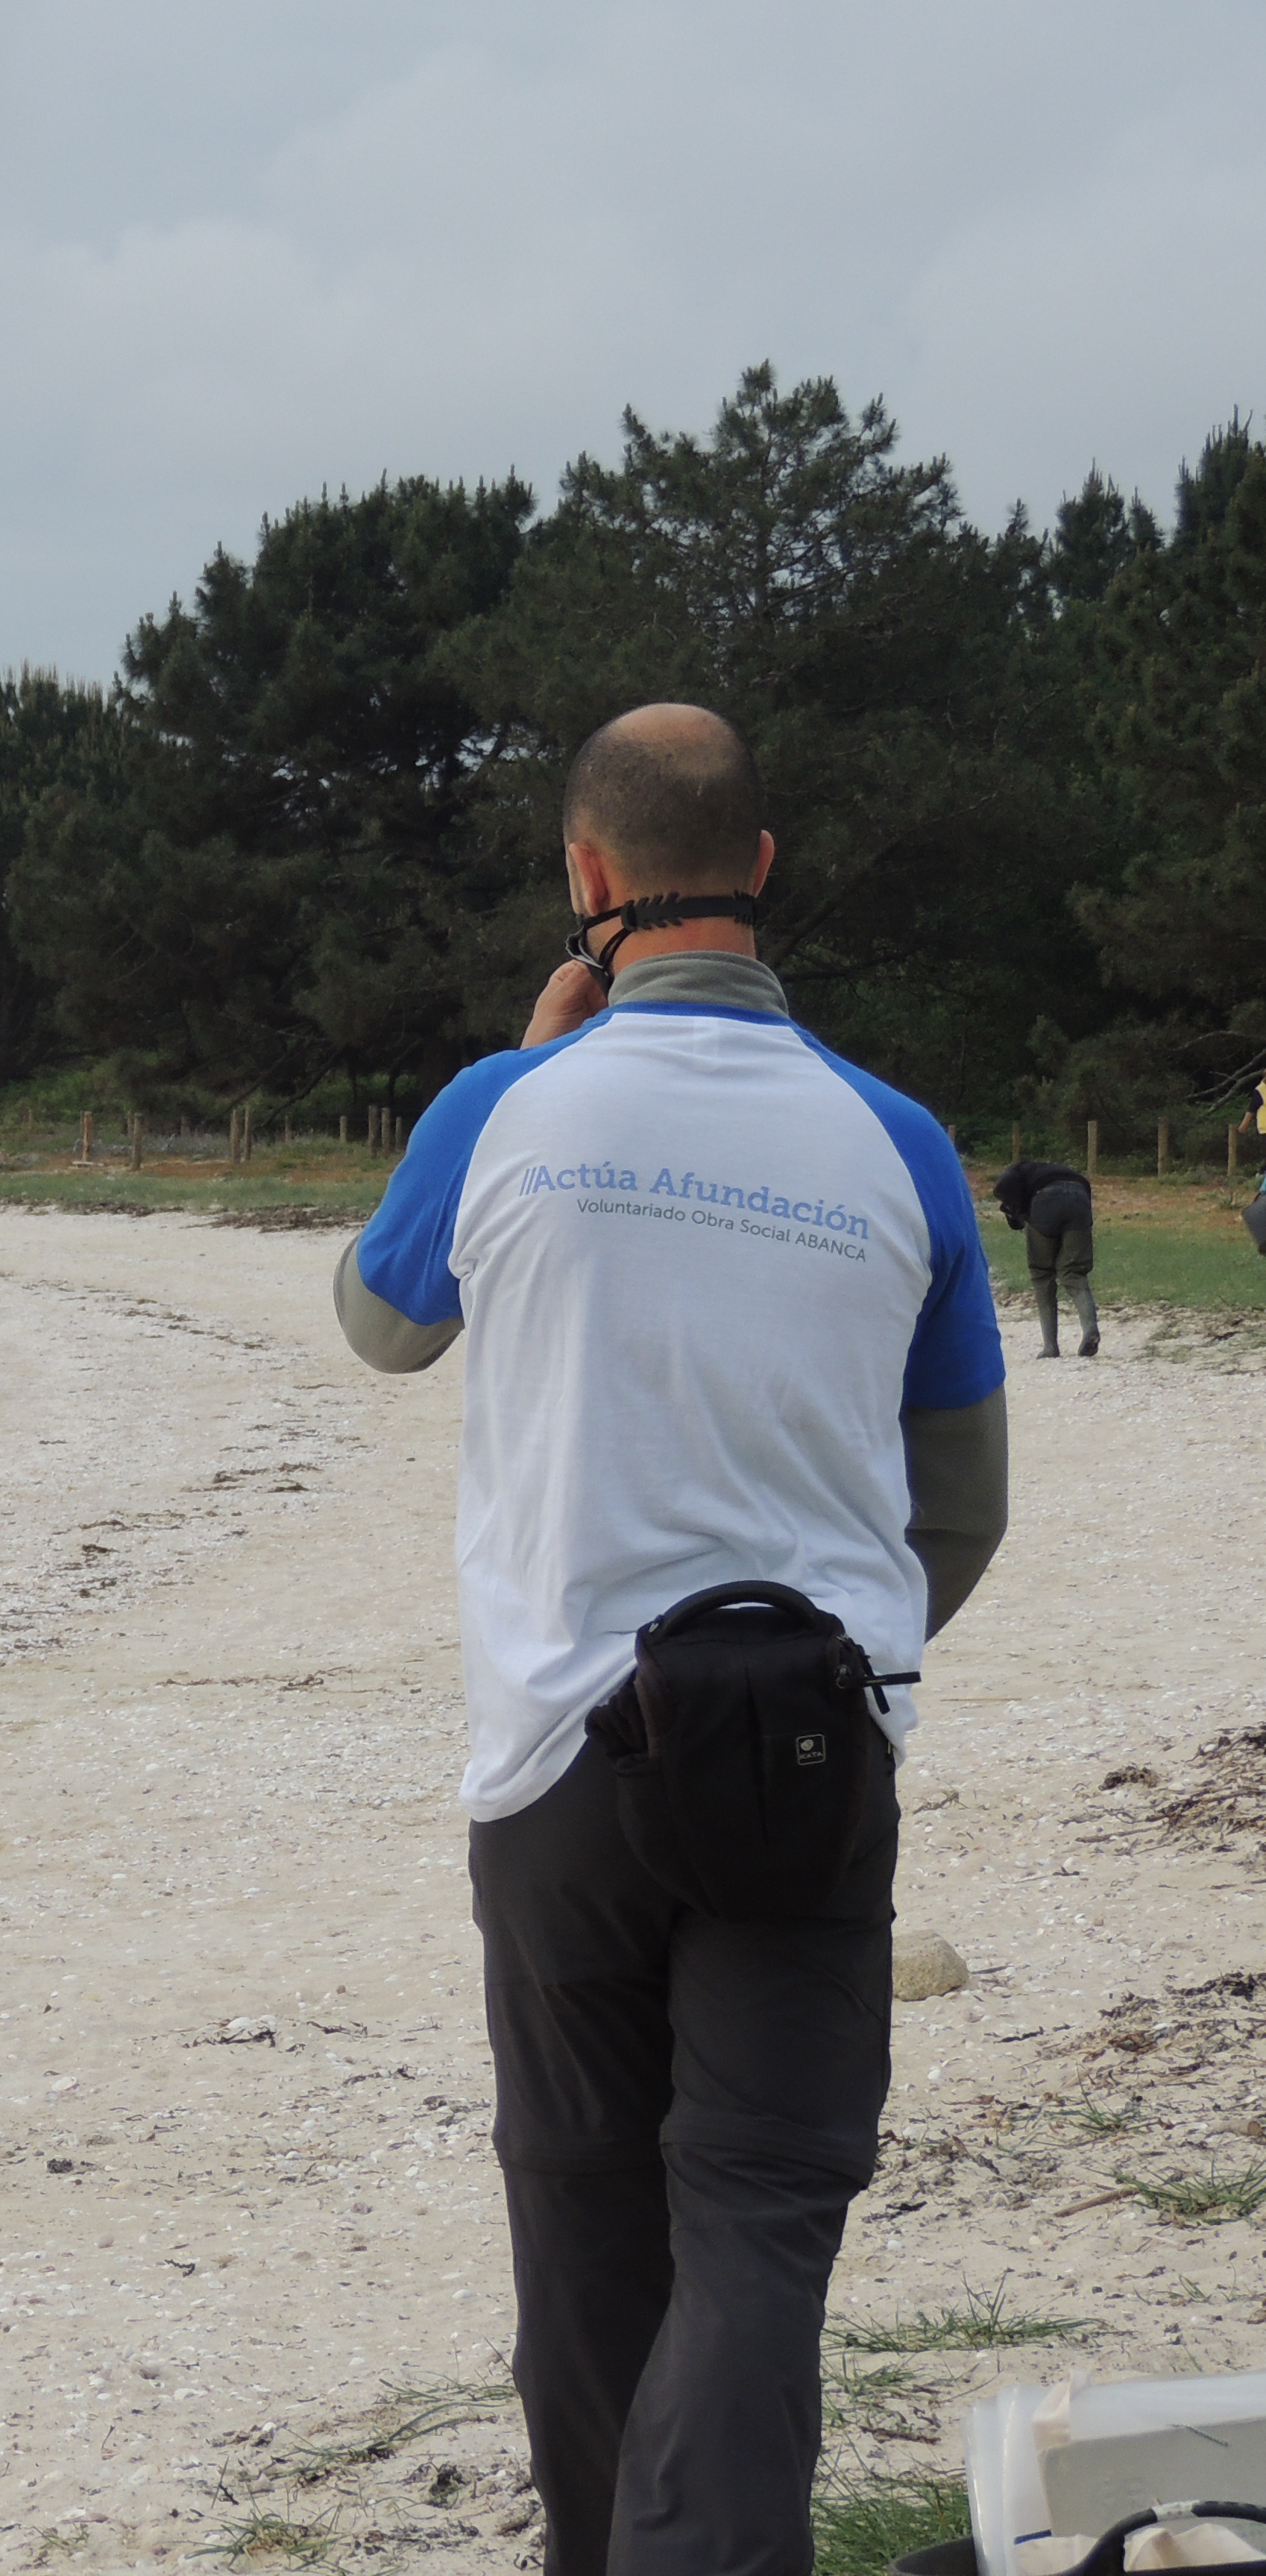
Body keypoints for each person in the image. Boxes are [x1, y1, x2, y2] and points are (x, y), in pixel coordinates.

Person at [334, 704, 1007, 2576]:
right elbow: (961, 1508)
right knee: (761, 2212)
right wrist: (862, 1669)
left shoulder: (501, 1107)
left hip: (561, 1751)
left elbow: (382, 1330)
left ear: (587, 874)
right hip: (807, 1747)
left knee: (580, 2216)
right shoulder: (902, 1143)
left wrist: (517, 1063)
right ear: (764, 869)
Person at [990, 1156, 1098, 1358]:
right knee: (1074, 1273)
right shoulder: (1054, 1172)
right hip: (1080, 1200)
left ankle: (1050, 1346)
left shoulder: (1016, 1172)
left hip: (1045, 1202)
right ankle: (1090, 1329)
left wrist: (1018, 1213)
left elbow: (1004, 1187)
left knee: (1042, 1275)